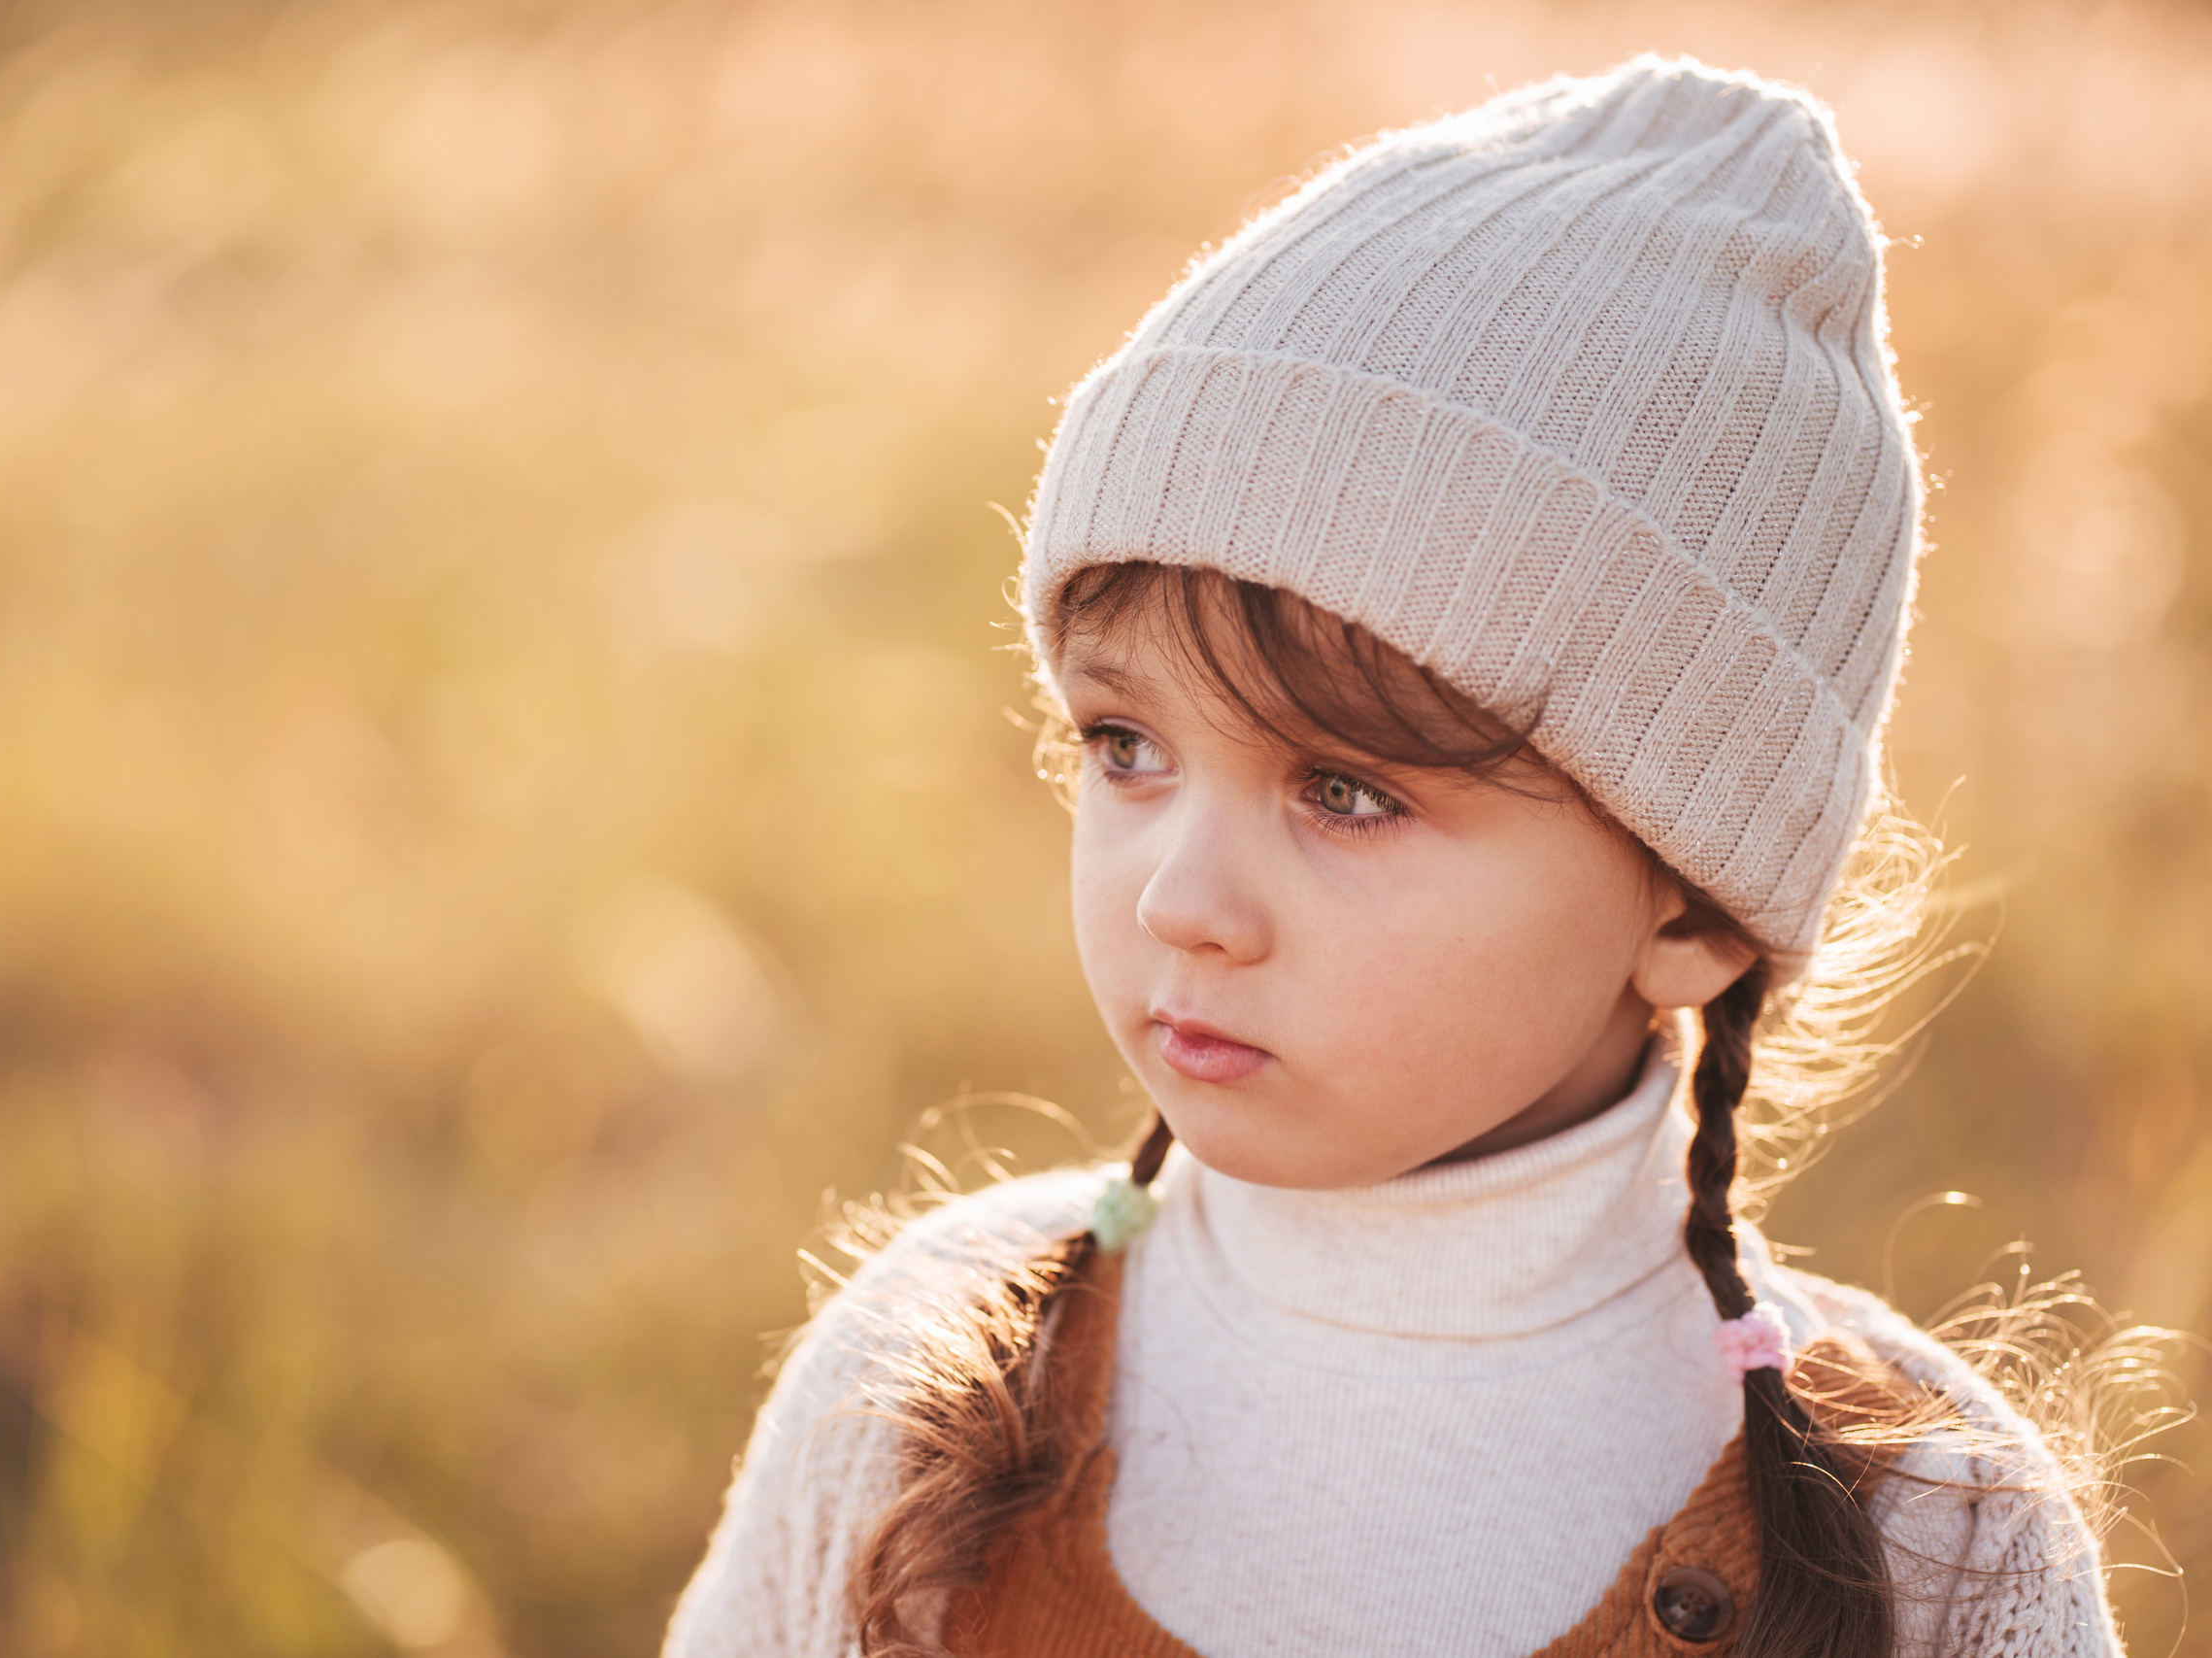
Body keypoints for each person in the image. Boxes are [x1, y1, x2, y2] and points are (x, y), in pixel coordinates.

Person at [663, 56, 2122, 1658]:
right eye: (1125, 747)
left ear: (1695, 906)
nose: (1180, 901)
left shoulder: (1932, 1539)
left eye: (1345, 790)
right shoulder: (928, 1377)